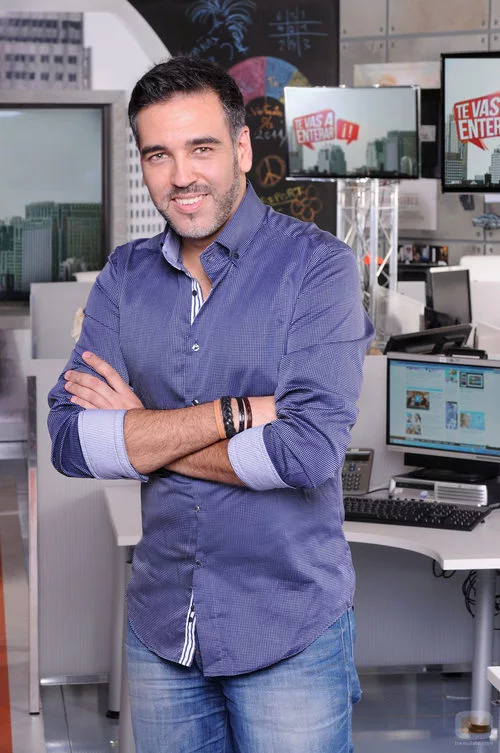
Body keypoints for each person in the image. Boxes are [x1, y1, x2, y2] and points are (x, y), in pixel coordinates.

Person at [47, 56, 374, 753]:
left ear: (242, 149)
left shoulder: (318, 269)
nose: (181, 176)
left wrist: (140, 433)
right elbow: (70, 440)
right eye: (158, 155)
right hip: (163, 627)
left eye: (201, 148)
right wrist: (238, 413)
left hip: (288, 631)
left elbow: (304, 453)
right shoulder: (125, 276)